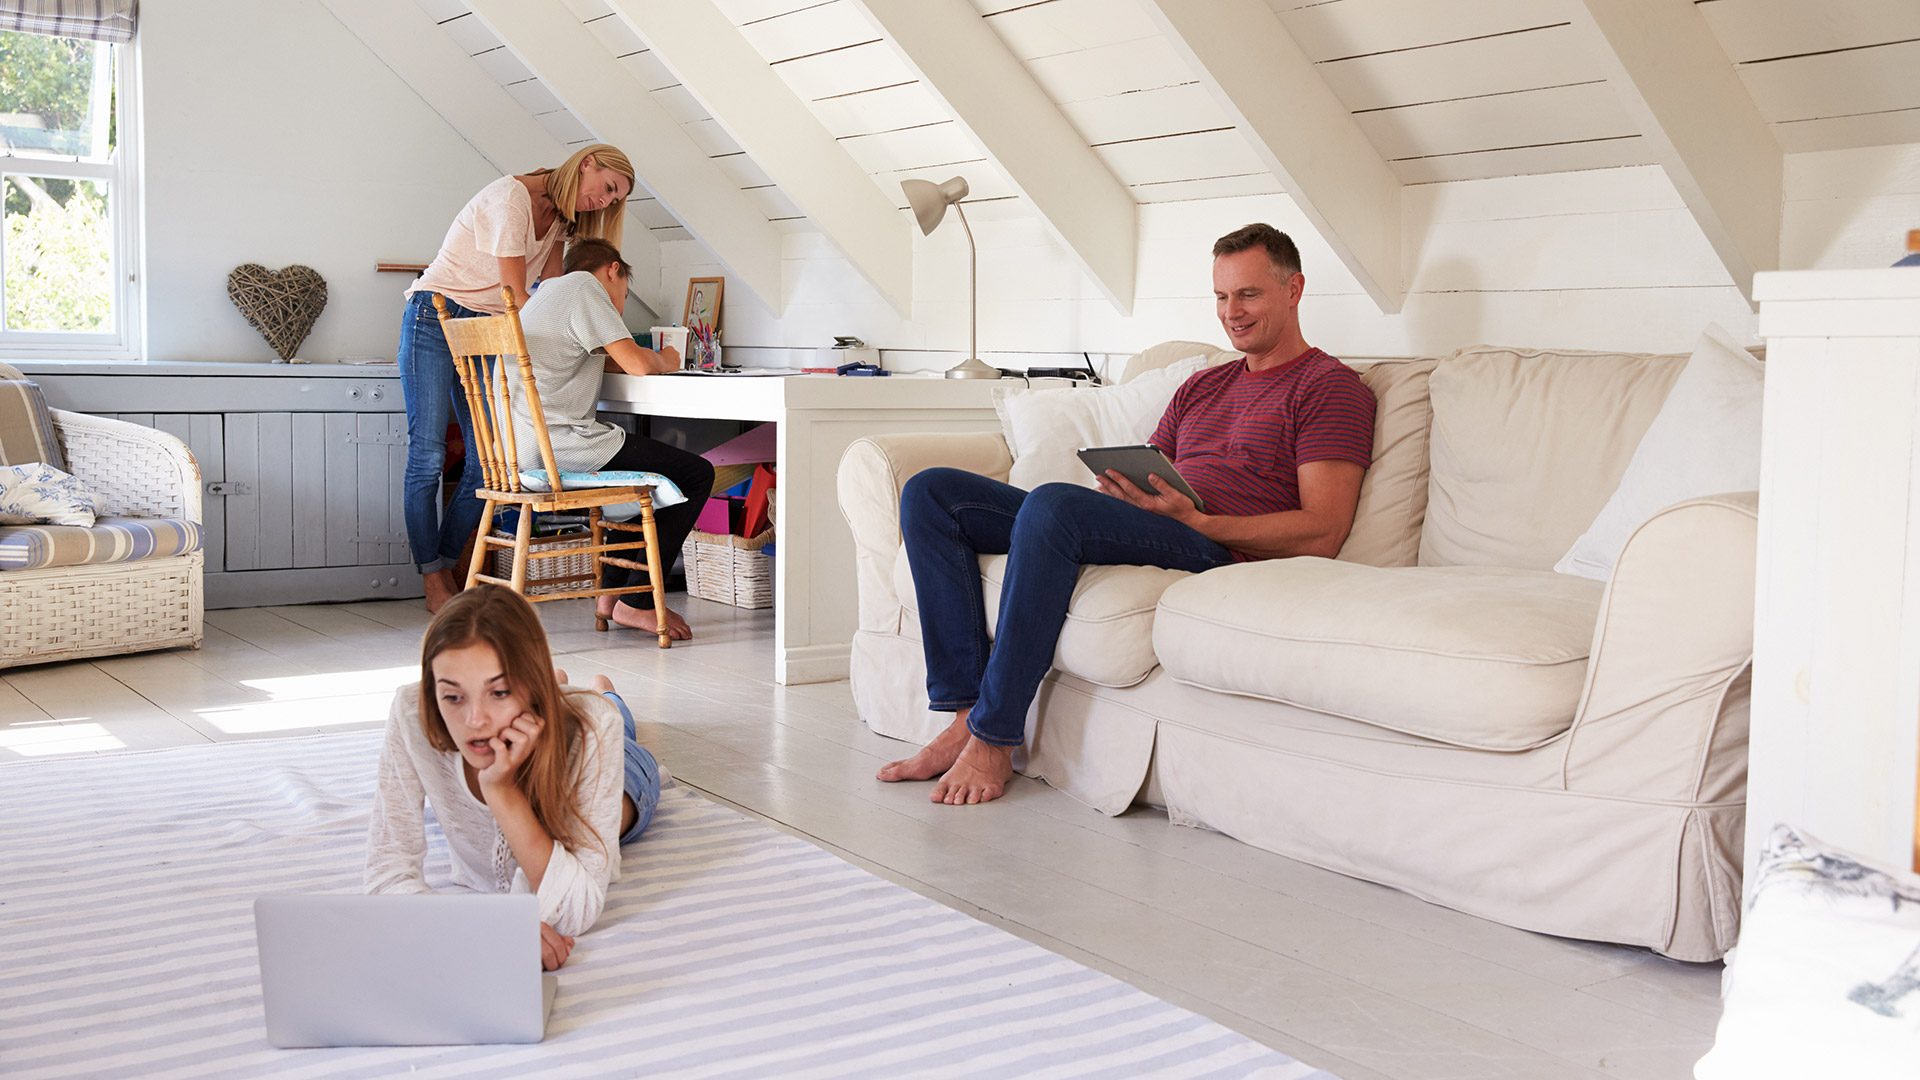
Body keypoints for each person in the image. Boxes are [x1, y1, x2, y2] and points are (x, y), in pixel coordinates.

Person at [878, 224, 1377, 806]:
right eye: (1220, 296)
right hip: (1160, 523)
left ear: (1293, 290)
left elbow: (1324, 529)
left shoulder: (1329, 387)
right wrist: (1119, 490)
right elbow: (1154, 466)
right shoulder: (1202, 386)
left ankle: (994, 737)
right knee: (932, 492)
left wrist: (1199, 522)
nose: (1231, 313)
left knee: (1053, 505)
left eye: (1248, 295)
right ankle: (965, 715)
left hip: (1214, 543)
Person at [364, 584, 666, 971]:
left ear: (530, 689)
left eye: (499, 691)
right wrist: (480, 930)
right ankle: (562, 688)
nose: (474, 721)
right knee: (575, 711)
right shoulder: (412, 711)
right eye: (453, 696)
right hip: (551, 707)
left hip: (626, 776)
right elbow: (385, 874)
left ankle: (605, 695)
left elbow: (577, 909)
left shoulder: (592, 733)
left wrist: (501, 790)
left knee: (613, 724)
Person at [398, 144, 637, 614]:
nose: (603, 202)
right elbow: (519, 295)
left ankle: (448, 568)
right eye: (607, 188)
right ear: (587, 162)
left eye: (613, 202)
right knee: (426, 454)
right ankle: (433, 578)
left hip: (492, 329)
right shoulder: (511, 198)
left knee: (491, 462)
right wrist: (584, 337)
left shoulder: (562, 225)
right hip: (435, 317)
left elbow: (542, 300)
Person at [513, 238, 715, 641]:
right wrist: (672, 359)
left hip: (524, 447)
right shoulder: (584, 288)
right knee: (696, 474)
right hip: (560, 446)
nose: (619, 306)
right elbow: (638, 364)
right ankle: (636, 604)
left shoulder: (547, 292)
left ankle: (611, 596)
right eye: (622, 293)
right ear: (613, 270)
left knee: (637, 478)